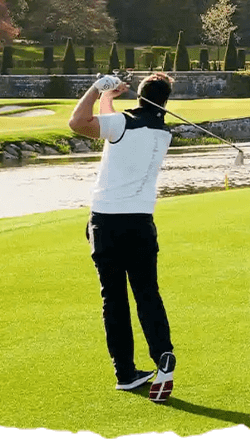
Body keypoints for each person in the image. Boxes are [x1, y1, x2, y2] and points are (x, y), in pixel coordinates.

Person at [68, 72, 178, 402]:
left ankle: (125, 373)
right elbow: (111, 125)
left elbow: (77, 123)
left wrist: (98, 88)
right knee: (147, 294)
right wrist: (110, 100)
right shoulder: (163, 134)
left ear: (139, 97)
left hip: (106, 223)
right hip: (141, 224)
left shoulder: (121, 125)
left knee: (113, 299)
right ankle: (162, 355)